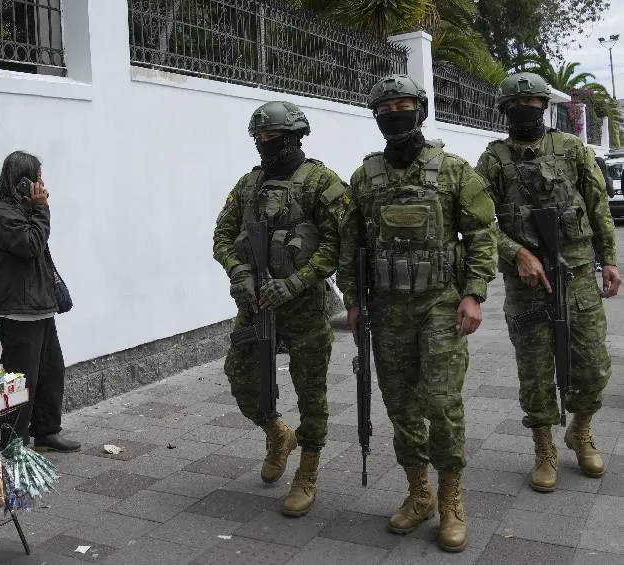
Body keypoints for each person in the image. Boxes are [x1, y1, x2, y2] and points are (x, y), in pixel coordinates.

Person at [337, 75, 497, 553]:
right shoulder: (365, 177)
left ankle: (451, 498)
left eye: (404, 105)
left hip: (440, 306)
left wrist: (475, 294)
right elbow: (352, 244)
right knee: (401, 406)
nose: (395, 114)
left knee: (442, 403)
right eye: (386, 108)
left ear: (420, 110)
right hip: (387, 311)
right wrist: (352, 299)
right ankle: (418, 492)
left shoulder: (453, 170)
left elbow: (483, 233)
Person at [475, 72, 620, 494]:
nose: (526, 110)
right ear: (504, 110)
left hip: (576, 277)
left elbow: (597, 206)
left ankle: (580, 430)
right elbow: (479, 221)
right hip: (527, 285)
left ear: (544, 107)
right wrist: (516, 253)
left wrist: (608, 260)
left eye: (533, 104)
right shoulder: (493, 160)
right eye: (517, 104)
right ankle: (544, 448)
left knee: (592, 367)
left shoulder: (572, 149)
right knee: (536, 372)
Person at [213, 101, 347, 517]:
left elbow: (338, 243)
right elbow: (221, 235)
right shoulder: (249, 185)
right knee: (240, 374)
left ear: (294, 138)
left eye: (271, 138)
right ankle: (277, 433)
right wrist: (241, 275)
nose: (264, 145)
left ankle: (307, 472)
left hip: (304, 306)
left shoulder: (322, 183)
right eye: (258, 138)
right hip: (256, 303)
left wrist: (294, 283)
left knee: (312, 393)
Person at [0, 151, 80, 453]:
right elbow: (31, 245)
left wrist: (36, 210)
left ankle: (46, 431)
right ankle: (13, 441)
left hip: (39, 308)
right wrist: (41, 209)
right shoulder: (2, 214)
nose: (43, 183)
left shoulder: (24, 211)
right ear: (23, 181)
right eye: (38, 177)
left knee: (52, 372)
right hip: (19, 312)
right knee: (21, 380)